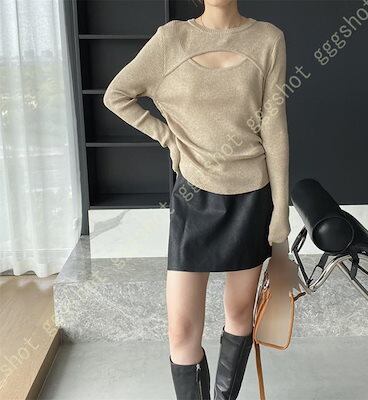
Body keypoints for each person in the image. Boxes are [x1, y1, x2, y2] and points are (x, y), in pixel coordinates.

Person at [103, 1, 291, 398]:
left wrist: (280, 211)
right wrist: (167, 137)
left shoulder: (268, 39)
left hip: (251, 197)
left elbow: (274, 126)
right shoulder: (172, 39)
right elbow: (116, 95)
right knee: (182, 330)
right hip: (193, 196)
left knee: (239, 314)